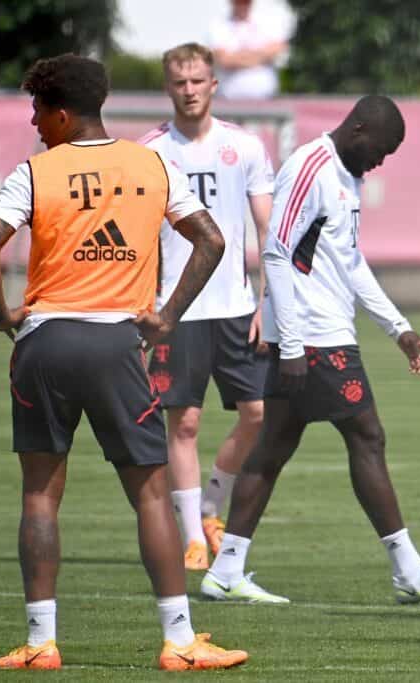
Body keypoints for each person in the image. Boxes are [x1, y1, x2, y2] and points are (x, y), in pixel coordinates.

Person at [0, 54, 246, 671]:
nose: (34, 122)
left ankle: (42, 642)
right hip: (116, 343)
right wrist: (167, 314)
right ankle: (179, 642)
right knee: (150, 496)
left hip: (43, 343)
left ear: (63, 113)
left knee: (40, 496)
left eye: (39, 110)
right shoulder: (152, 162)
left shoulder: (36, 171)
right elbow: (213, 239)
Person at [201, 95, 420, 604]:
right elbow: (276, 253)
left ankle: (225, 569)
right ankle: (408, 570)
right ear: (358, 130)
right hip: (314, 338)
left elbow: (350, 264)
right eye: (381, 149)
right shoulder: (311, 166)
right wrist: (289, 343)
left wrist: (399, 329)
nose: (381, 160)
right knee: (367, 436)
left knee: (272, 450)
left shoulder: (349, 177)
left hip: (318, 335)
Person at [140, 42, 274, 571]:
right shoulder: (149, 151)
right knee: (186, 423)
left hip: (236, 305)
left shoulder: (244, 146)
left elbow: (269, 233)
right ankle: (193, 535)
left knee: (257, 414)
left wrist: (269, 302)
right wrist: (146, 306)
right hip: (176, 308)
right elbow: (140, 235)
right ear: (168, 86)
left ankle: (211, 506)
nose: (189, 91)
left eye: (198, 81)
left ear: (213, 85)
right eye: (179, 82)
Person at [208, 0, 288, 100]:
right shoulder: (219, 24)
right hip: (228, 100)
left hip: (266, 99)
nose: (243, 5)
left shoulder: (268, 21)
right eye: (239, 2)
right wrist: (260, 57)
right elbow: (223, 59)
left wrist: (238, 57)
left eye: (246, 2)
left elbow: (277, 49)